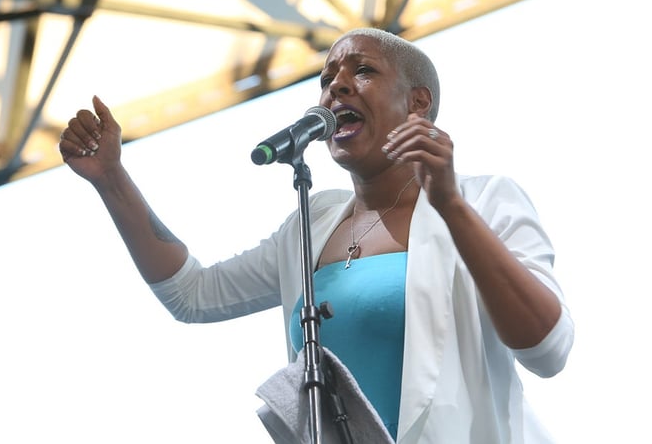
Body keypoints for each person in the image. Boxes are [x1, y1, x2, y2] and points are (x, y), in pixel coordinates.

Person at [57, 27, 574, 443]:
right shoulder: (313, 222)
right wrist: (110, 178)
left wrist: (450, 206)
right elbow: (192, 294)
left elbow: (547, 349)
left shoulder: (484, 199)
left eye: (363, 70)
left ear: (418, 102)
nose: (337, 86)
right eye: (327, 78)